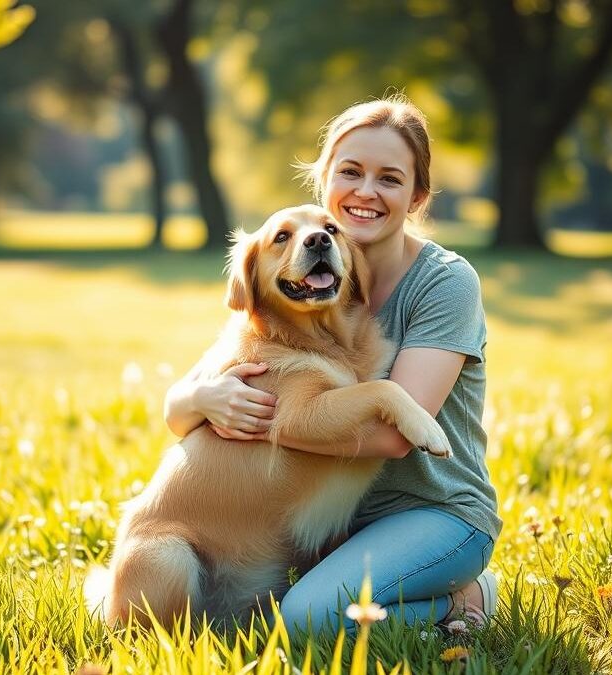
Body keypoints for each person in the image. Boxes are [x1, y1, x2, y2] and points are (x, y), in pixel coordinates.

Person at [164, 96, 501, 635]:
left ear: (417, 196)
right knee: (260, 627)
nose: (366, 191)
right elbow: (183, 403)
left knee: (304, 622)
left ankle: (465, 599)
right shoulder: (293, 285)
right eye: (350, 172)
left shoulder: (445, 283)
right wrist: (202, 401)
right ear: (325, 179)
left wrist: (262, 420)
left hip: (433, 512)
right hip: (334, 527)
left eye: (389, 179)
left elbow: (393, 438)